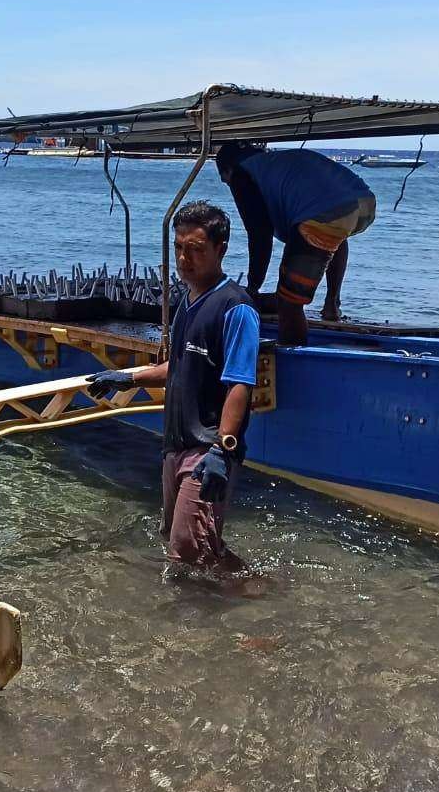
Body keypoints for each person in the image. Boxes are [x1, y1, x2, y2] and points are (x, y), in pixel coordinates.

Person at [86, 201, 259, 573]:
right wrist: (128, 377)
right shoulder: (187, 301)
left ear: (221, 249)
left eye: (196, 249)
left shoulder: (236, 308)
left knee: (187, 548)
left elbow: (240, 384)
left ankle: (238, 604)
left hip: (207, 448)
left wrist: (221, 448)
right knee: (185, 541)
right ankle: (246, 593)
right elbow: (178, 367)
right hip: (175, 444)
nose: (184, 258)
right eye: (179, 247)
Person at [214, 142, 377, 346]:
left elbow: (259, 233)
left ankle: (292, 353)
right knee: (333, 235)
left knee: (289, 303)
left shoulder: (241, 174)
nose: (230, 186)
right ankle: (331, 304)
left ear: (228, 169)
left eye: (225, 182)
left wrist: (252, 289)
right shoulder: (273, 163)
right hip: (363, 203)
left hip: (326, 211)